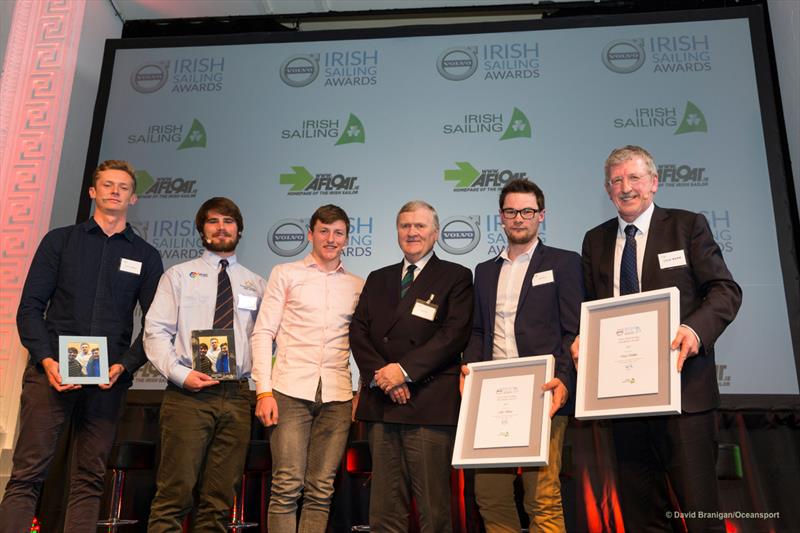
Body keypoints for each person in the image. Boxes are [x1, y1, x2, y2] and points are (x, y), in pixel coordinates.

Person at [572, 145, 742, 532]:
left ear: (653, 183)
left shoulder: (687, 225)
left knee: (701, 515)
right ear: (607, 188)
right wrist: (584, 337)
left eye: (633, 178)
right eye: (616, 180)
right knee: (641, 516)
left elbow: (725, 290)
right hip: (624, 403)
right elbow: (590, 308)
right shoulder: (594, 241)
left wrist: (694, 329)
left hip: (685, 397)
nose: (625, 187)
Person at [1, 159, 163, 533]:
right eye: (107, 185)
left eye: (123, 187)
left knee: (89, 480)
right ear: (93, 192)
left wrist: (124, 365)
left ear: (133, 198)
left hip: (108, 382)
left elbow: (154, 325)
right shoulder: (59, 241)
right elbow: (29, 309)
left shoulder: (145, 255)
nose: (114, 192)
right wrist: (46, 360)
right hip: (50, 377)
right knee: (27, 474)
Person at [462, 179, 583, 533]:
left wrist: (563, 377)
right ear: (501, 217)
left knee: (541, 498)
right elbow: (479, 331)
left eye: (527, 211)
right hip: (492, 395)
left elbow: (573, 331)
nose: (519, 218)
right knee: (491, 496)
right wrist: (468, 367)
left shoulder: (563, 263)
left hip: (543, 392)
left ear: (541, 216)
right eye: (511, 211)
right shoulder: (483, 271)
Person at [349, 200, 473, 533]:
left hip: (429, 405)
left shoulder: (456, 276)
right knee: (385, 510)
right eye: (405, 226)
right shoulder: (378, 278)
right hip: (382, 405)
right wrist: (385, 376)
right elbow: (358, 332)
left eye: (419, 226)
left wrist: (402, 371)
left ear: (435, 233)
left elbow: (453, 336)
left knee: (434, 509)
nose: (412, 232)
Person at [144, 197, 266, 532]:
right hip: (188, 397)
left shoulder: (256, 283)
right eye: (213, 221)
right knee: (173, 495)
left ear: (239, 229)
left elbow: (265, 340)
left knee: (219, 501)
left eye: (228, 220)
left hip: (238, 397)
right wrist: (182, 375)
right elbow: (155, 333)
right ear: (201, 229)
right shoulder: (178, 276)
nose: (221, 227)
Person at [251, 204, 364, 533]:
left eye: (338, 232)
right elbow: (263, 333)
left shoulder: (358, 285)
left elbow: (366, 346)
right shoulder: (285, 274)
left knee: (321, 490)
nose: (331, 239)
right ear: (310, 234)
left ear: (346, 238)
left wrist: (362, 392)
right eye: (324, 231)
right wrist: (263, 391)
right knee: (286, 486)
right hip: (288, 391)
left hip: (338, 396)